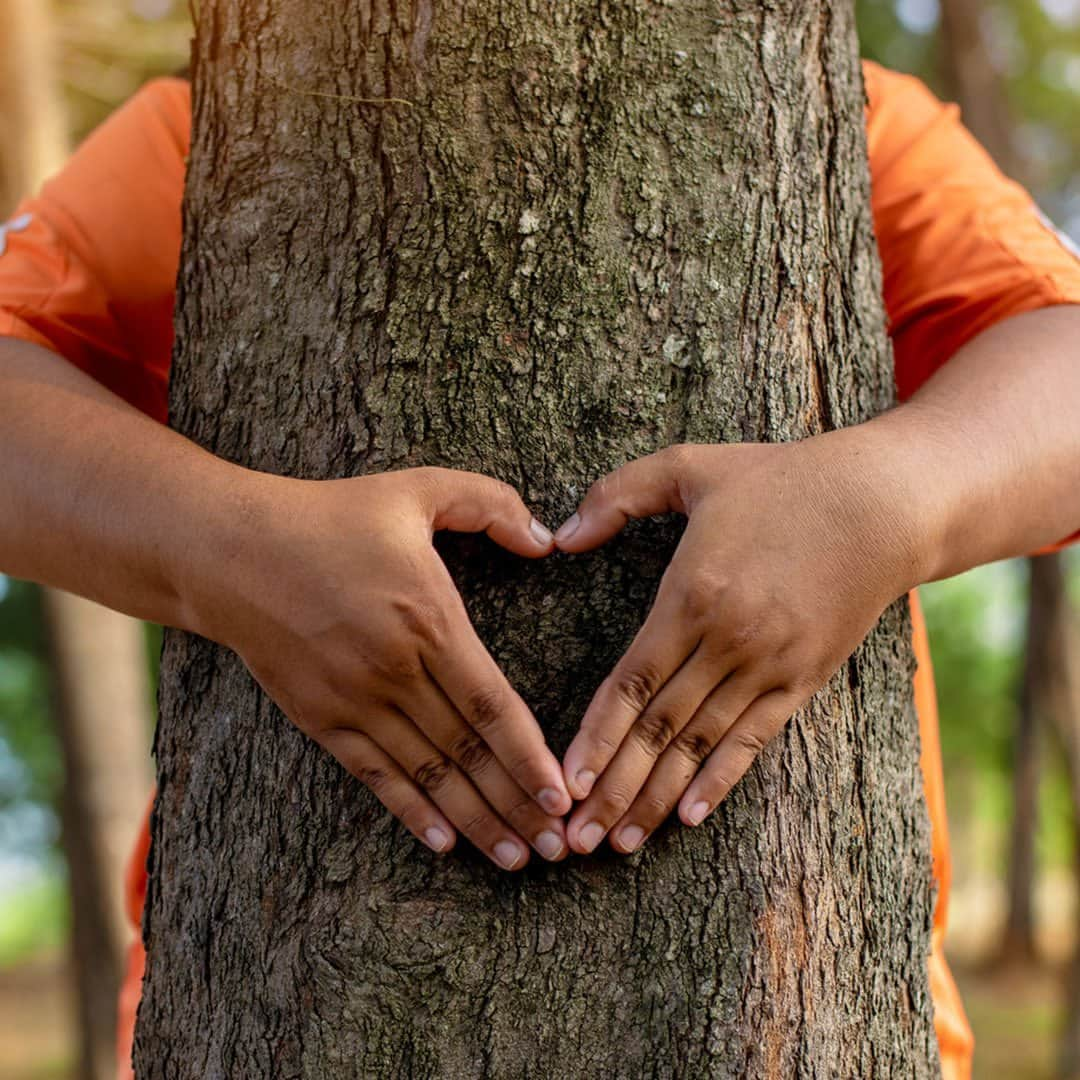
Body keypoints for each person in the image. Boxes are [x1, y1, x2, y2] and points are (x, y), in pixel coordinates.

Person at [1, 57, 1078, 1080]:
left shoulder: (838, 113)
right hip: (265, 1005)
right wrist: (220, 548)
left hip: (811, 1004)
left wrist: (885, 503)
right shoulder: (222, 129)